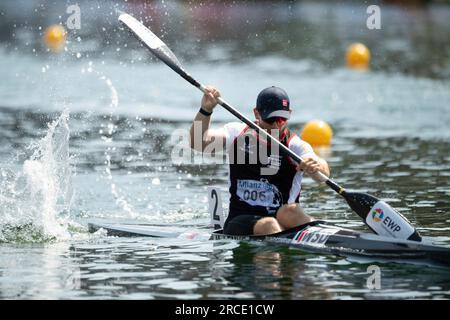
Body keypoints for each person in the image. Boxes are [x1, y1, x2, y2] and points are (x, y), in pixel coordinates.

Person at [189, 85, 330, 235]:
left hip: (284, 219)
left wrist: (315, 164)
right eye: (271, 119)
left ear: (289, 114)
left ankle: (322, 233)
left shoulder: (294, 145)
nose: (276, 124)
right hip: (240, 219)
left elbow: (323, 174)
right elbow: (198, 142)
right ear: (257, 114)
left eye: (282, 119)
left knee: (289, 211)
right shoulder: (237, 133)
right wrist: (206, 110)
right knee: (269, 224)